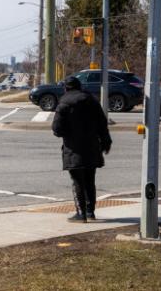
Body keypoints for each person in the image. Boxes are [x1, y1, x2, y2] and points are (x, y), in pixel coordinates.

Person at [51, 76, 112, 223]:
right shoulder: (91, 100)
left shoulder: (64, 102)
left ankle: (81, 214)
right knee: (90, 179)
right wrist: (106, 141)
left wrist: (67, 133)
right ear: (79, 86)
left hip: (74, 147)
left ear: (66, 88)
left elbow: (56, 128)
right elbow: (102, 123)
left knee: (77, 180)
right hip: (92, 146)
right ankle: (90, 212)